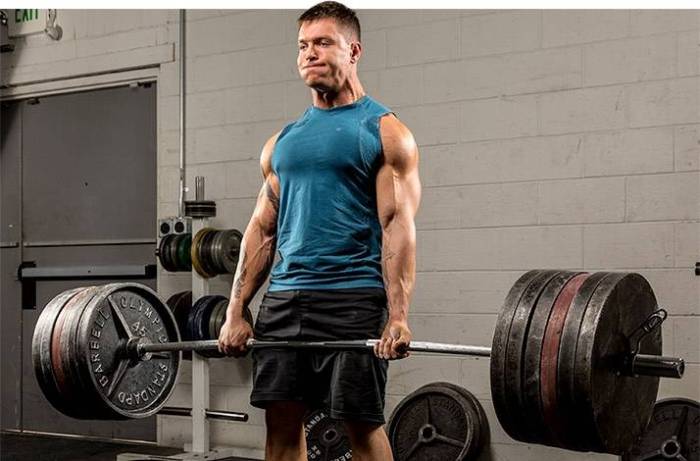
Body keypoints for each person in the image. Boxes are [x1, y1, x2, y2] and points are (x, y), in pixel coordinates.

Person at [218, 2, 421, 460]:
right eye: (303, 45)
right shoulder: (283, 142)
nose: (309, 53)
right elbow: (261, 230)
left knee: (361, 427)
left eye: (323, 42)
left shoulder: (385, 132)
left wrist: (398, 315)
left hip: (352, 299)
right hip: (285, 301)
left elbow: (396, 226)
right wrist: (236, 310)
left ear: (354, 51)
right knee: (281, 428)